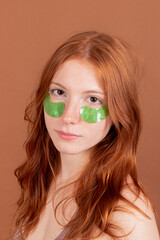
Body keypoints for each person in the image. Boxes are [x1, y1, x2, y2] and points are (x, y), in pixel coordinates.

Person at [13, 31, 160, 240]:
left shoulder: (127, 218)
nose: (69, 116)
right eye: (59, 92)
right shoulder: (46, 177)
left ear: (119, 112)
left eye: (92, 99)